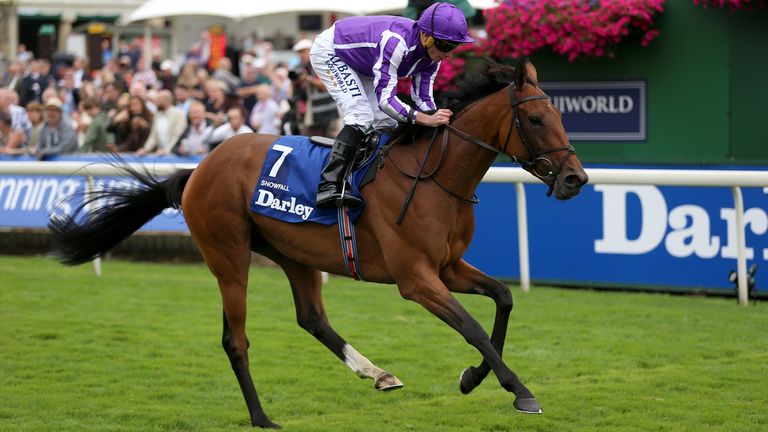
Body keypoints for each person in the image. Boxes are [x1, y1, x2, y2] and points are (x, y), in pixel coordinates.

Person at [309, 2, 473, 207]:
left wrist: (437, 118)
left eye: (453, 47)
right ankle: (329, 185)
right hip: (332, 51)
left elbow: (423, 99)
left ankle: (368, 179)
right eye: (446, 46)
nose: (449, 55)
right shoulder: (396, 42)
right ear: (425, 36)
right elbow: (386, 100)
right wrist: (423, 119)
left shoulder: (433, 56)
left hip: (364, 61)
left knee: (387, 123)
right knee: (361, 115)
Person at [137, 90, 187, 155]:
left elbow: (178, 135)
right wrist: (146, 149)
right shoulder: (157, 114)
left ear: (167, 101)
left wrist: (167, 150)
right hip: (161, 154)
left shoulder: (178, 114)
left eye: (158, 100)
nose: (155, 102)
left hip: (175, 154)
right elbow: (153, 135)